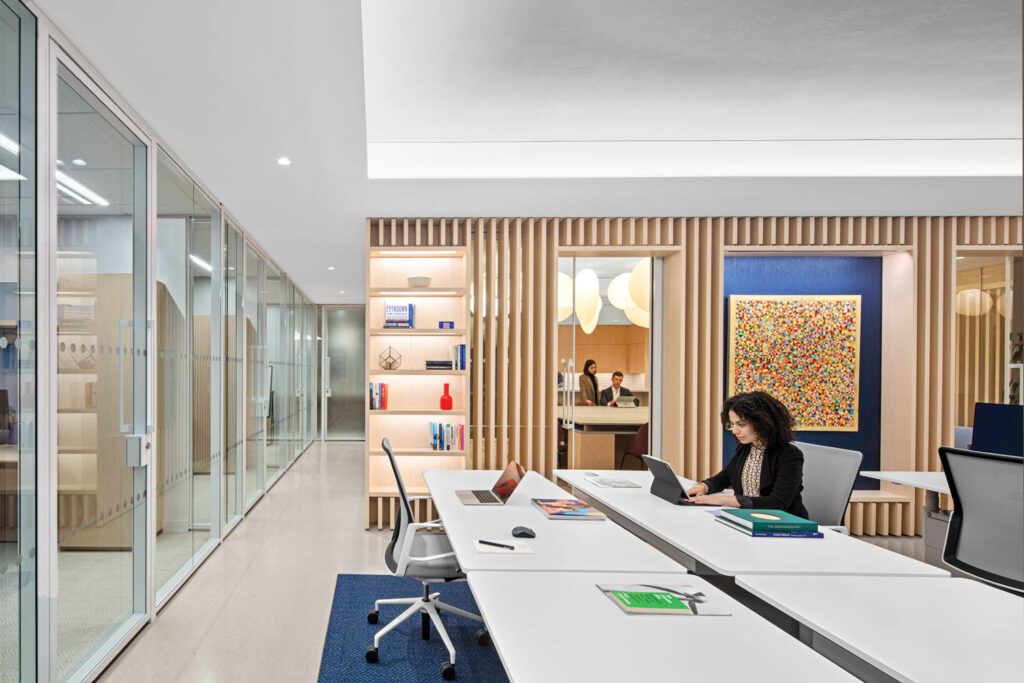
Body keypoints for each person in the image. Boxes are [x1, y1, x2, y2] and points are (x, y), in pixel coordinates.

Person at [686, 391, 808, 517]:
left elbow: (778, 503)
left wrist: (722, 500)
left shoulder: (790, 455)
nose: (734, 431)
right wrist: (704, 487)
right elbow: (725, 476)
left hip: (783, 524)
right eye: (733, 424)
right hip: (749, 518)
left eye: (741, 424)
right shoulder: (745, 448)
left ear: (762, 422)